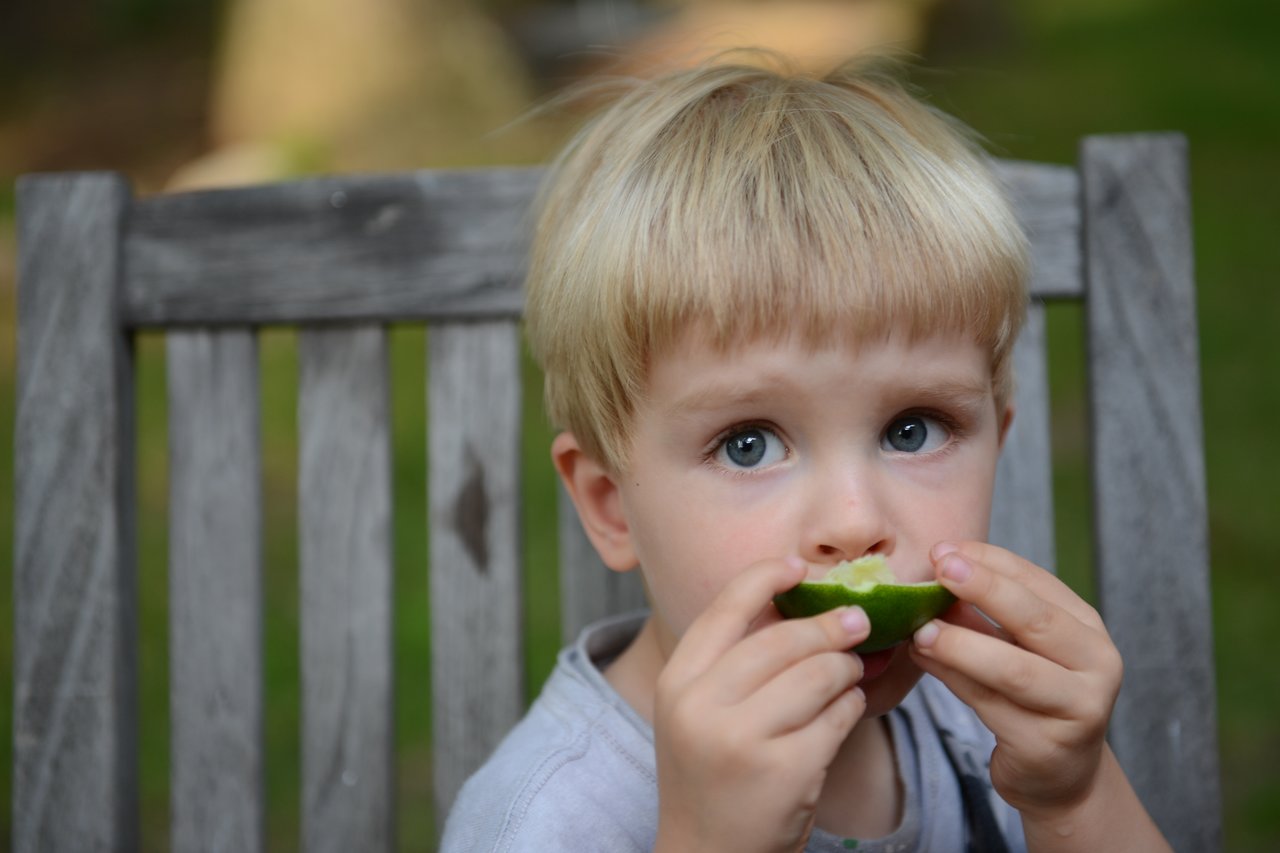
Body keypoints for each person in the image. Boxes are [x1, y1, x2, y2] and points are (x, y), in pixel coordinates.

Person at [441, 53, 1171, 852]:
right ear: (611, 505)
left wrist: (1072, 796)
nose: (854, 524)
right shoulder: (546, 818)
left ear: (998, 438)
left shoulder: (985, 721)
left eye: (912, 429)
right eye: (748, 444)